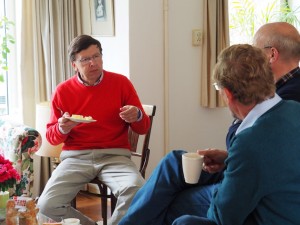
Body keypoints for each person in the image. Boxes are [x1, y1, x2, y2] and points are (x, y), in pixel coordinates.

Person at [119, 22, 300, 225]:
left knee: (179, 212)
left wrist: (234, 160)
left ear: (228, 94)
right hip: (271, 192)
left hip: (269, 210)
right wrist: (229, 159)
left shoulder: (250, 141)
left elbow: (222, 217)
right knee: (174, 165)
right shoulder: (293, 109)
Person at [37, 34, 150, 225]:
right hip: (75, 157)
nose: (93, 63)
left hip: (115, 156)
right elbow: (52, 137)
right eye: (86, 59)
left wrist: (137, 116)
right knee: (46, 206)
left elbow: (143, 126)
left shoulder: (121, 83)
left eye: (96, 56)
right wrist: (62, 128)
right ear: (74, 64)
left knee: (138, 190)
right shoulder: (63, 91)